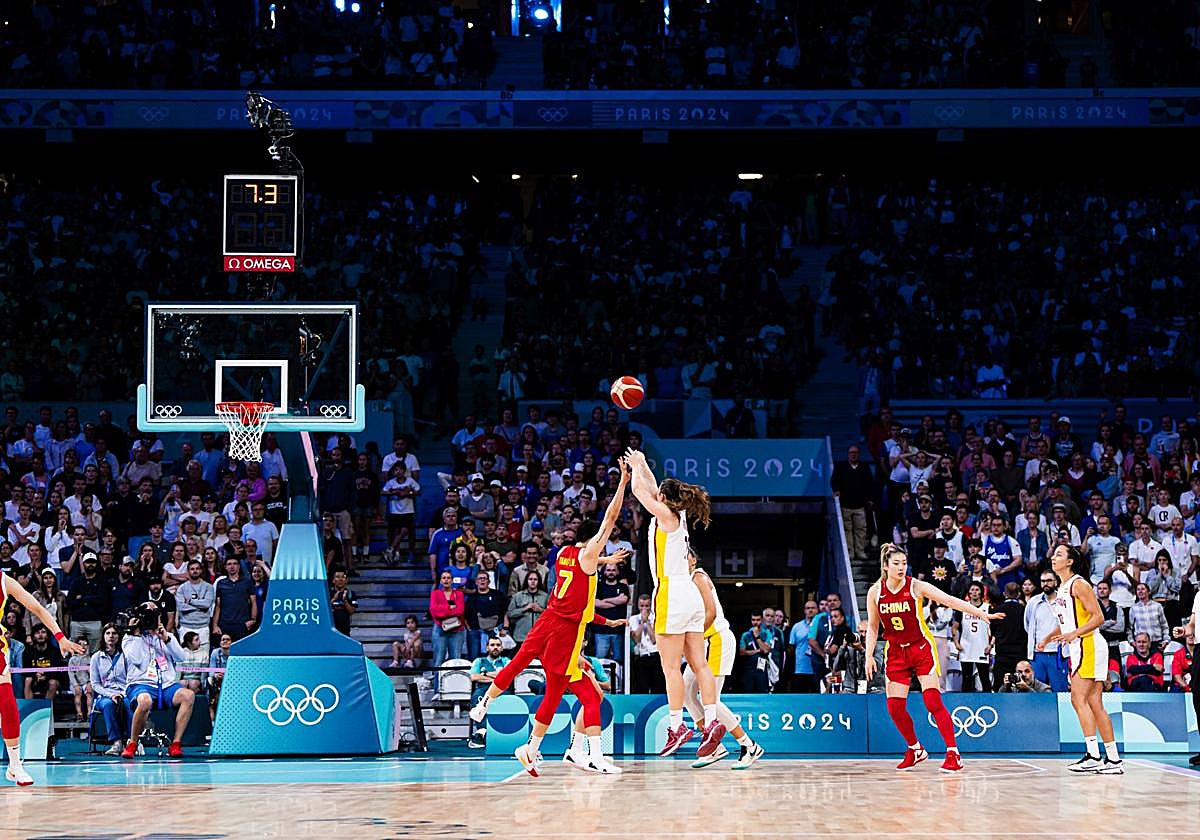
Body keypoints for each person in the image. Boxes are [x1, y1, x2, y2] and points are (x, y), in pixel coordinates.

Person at [469, 459, 631, 777]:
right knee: (574, 693)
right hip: (565, 633)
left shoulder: (565, 553)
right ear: (594, 540)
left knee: (552, 682)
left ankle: (520, 733)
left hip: (549, 619)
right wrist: (623, 483)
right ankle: (582, 753)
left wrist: (604, 559)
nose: (607, 541)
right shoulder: (588, 555)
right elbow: (610, 518)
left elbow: (585, 568)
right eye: (603, 541)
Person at [865, 543, 1002, 772]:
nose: (901, 568)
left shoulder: (916, 586)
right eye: (896, 564)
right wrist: (869, 655)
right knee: (895, 708)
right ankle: (916, 749)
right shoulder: (875, 591)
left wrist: (980, 613)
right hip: (896, 651)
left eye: (904, 563)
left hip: (921, 648)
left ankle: (953, 753)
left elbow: (949, 600)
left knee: (932, 701)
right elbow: (872, 626)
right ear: (885, 566)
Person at [624, 448, 725, 758]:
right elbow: (651, 489)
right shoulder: (674, 516)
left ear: (664, 500)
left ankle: (677, 726)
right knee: (699, 663)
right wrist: (642, 466)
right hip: (690, 596)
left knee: (670, 668)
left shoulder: (664, 515)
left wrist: (637, 466)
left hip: (670, 593)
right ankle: (710, 722)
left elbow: (640, 490)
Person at [1036, 544, 1123, 774]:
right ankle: (1113, 759)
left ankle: (1095, 755)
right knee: (1094, 703)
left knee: (1078, 699)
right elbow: (1064, 622)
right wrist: (1047, 638)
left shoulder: (1079, 584)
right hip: (1079, 645)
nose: (1053, 558)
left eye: (1059, 555)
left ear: (1070, 561)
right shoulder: (1064, 587)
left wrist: (1074, 634)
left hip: (1089, 643)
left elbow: (1098, 617)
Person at [0, 572, 85, 783]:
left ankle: (15, 765)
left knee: (7, 703)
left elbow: (37, 607)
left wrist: (60, 637)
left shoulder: (3, 580)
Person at [685, 549, 764, 770]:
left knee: (711, 699)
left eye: (685, 555)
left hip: (716, 640)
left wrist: (692, 638)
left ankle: (749, 745)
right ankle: (714, 746)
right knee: (684, 693)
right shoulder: (681, 583)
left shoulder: (698, 576)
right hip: (701, 643)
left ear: (693, 559)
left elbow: (710, 613)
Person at [120, 601, 196, 759]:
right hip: (141, 684)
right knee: (145, 701)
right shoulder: (129, 638)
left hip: (167, 686)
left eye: (155, 613)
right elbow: (136, 660)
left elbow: (181, 657)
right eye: (148, 613)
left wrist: (166, 638)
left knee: (188, 695)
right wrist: (136, 634)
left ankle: (175, 744)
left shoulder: (167, 636)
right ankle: (132, 743)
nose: (151, 616)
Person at [89, 623, 129, 755]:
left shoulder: (126, 656)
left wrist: (122, 694)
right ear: (103, 636)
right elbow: (95, 684)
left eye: (114, 633)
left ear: (119, 636)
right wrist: (111, 695)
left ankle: (132, 741)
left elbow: (132, 679)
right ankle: (117, 743)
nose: (111, 636)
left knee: (130, 704)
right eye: (108, 633)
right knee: (108, 705)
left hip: (125, 692)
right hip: (105, 695)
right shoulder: (96, 658)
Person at [952, 582, 994, 692]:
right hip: (966, 648)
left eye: (977, 590)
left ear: (981, 592)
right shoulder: (962, 608)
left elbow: (995, 630)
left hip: (982, 648)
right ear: (968, 592)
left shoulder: (988, 608)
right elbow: (954, 628)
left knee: (985, 679)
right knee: (966, 679)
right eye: (972, 590)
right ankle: (966, 704)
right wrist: (956, 643)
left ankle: (989, 703)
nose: (974, 592)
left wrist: (990, 645)